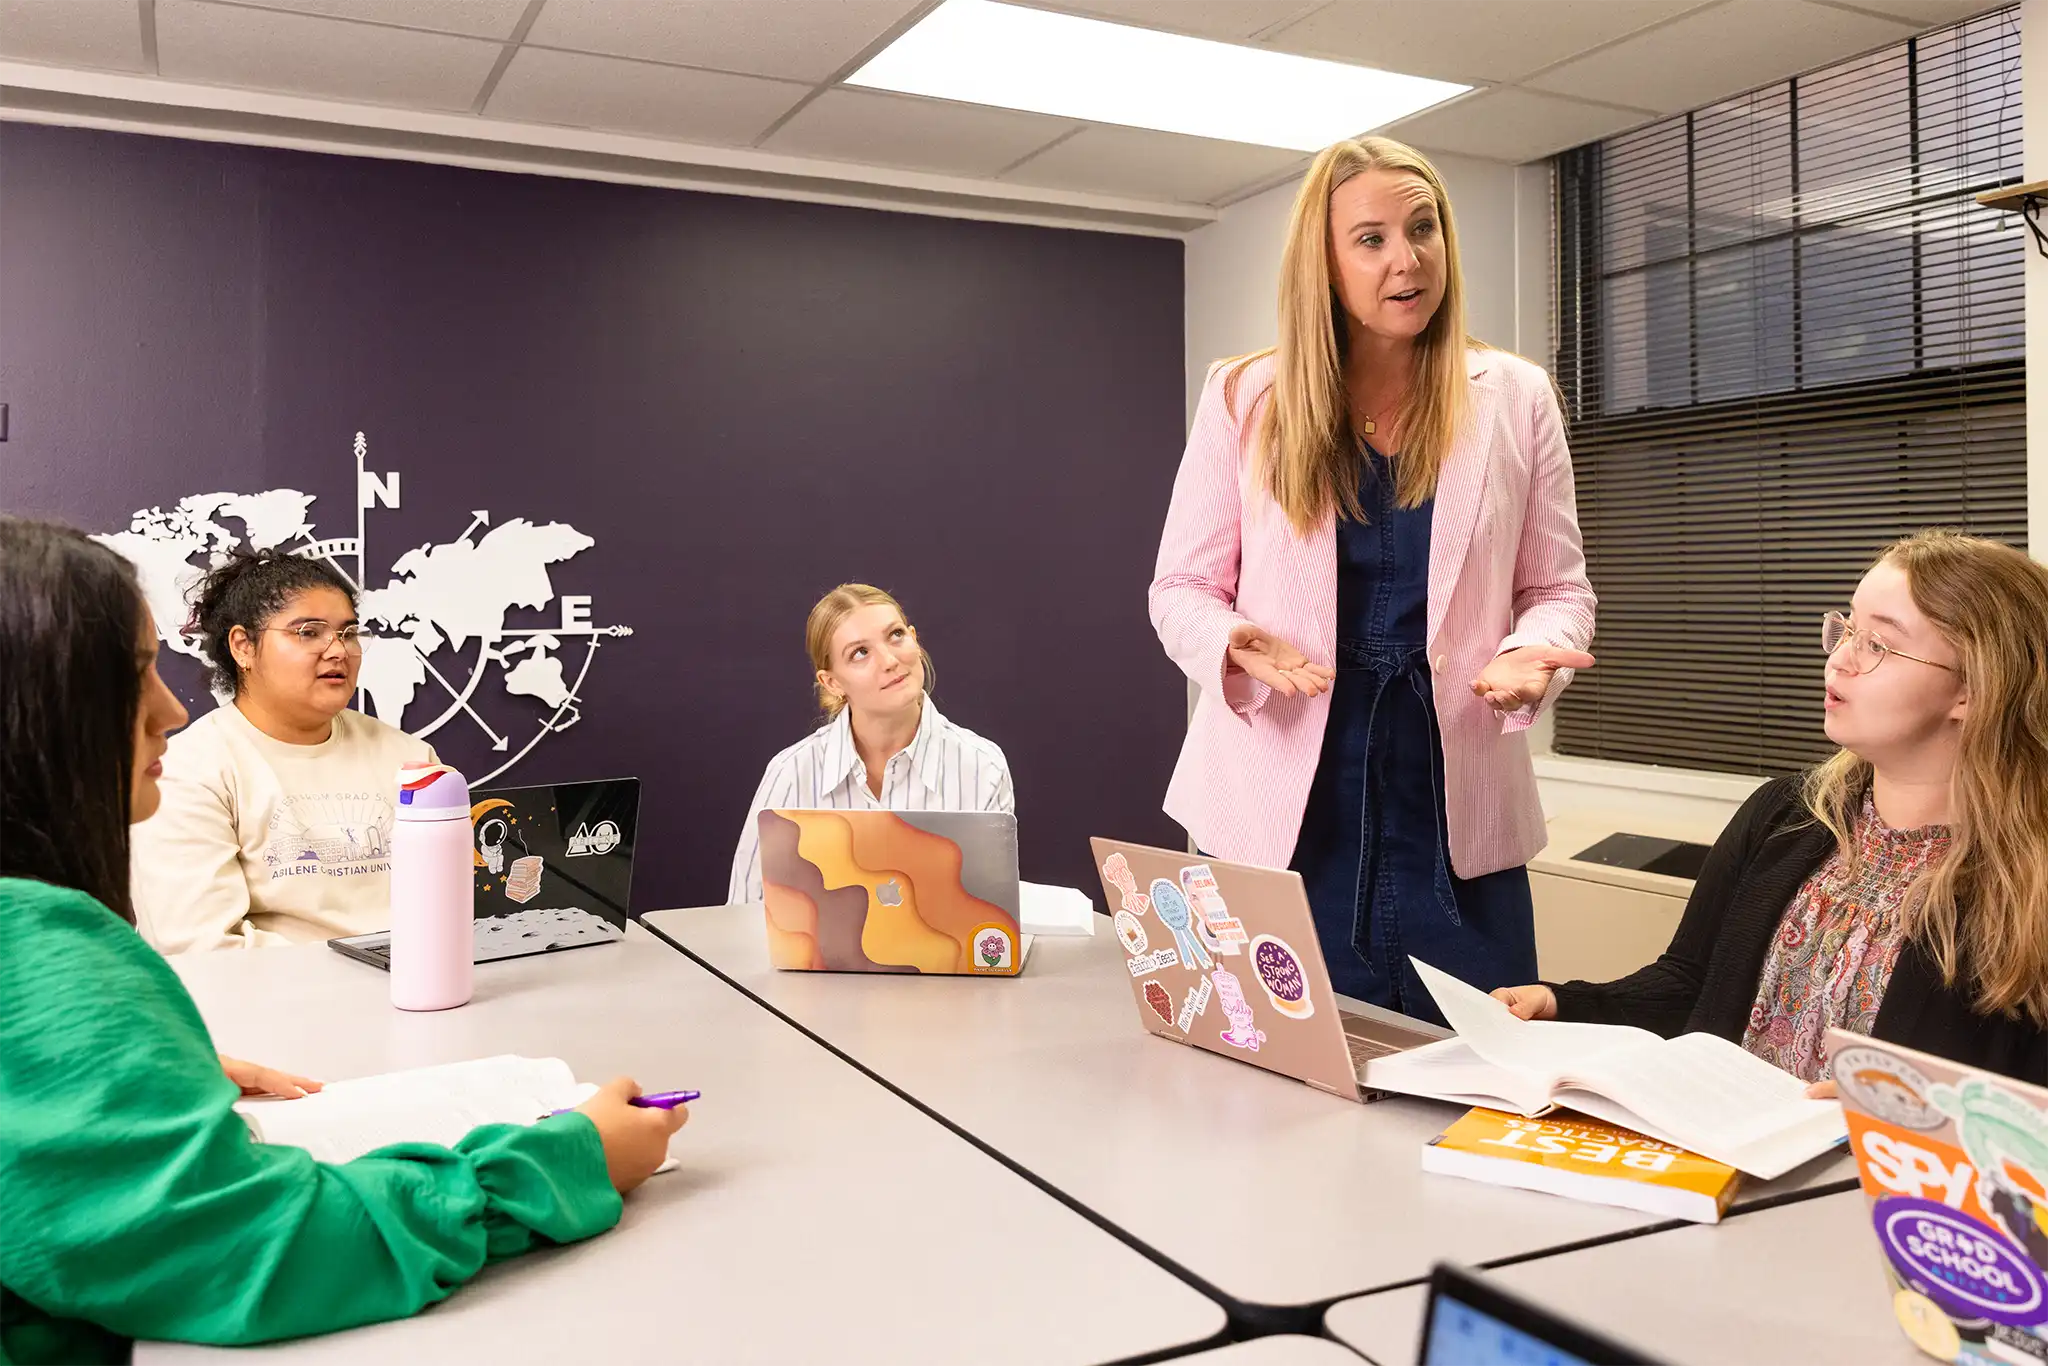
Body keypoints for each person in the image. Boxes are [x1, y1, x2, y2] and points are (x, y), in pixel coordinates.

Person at [0, 516, 686, 1363]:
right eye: (136, 670)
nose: (170, 708)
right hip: (311, 1039)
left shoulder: (401, 750)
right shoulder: (54, 938)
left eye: (349, 632)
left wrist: (124, 1071)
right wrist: (562, 1164)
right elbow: (258, 1246)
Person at [1150, 137, 1596, 1023]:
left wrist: (1533, 649)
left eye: (1423, 229)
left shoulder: (1515, 395)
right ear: (1324, 262)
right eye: (1372, 238)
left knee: (1477, 1067)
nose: (1408, 259)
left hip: (1454, 792)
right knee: (1276, 1077)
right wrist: (1233, 644)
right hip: (1286, 802)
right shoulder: (1245, 397)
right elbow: (1180, 589)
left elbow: (1559, 587)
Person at [1494, 531, 2048, 1089]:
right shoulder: (1784, 815)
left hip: (1893, 1176)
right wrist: (1558, 1003)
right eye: (1848, 629)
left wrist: (1910, 1115)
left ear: (1972, 690)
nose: (1840, 660)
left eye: (1878, 644)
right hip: (1729, 1155)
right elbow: (1689, 983)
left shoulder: (2031, 875)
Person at [130, 548, 434, 952]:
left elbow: (456, 906)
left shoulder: (409, 758)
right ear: (243, 647)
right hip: (268, 1007)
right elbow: (201, 946)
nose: (338, 650)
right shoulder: (188, 769)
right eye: (308, 632)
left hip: (421, 993)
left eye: (348, 633)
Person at [728, 583, 1012, 904]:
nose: (890, 660)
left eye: (895, 635)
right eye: (860, 653)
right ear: (832, 683)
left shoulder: (982, 766)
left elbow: (991, 922)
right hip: (812, 957)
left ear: (915, 640)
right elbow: (743, 915)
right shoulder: (790, 773)